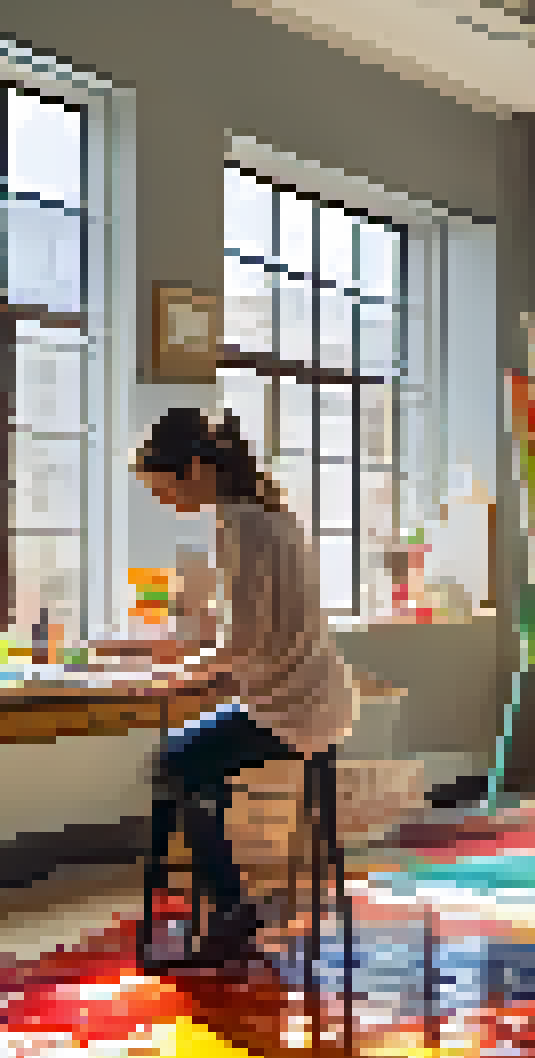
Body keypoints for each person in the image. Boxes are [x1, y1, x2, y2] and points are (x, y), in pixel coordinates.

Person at [119, 407, 355, 966]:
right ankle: (227, 903)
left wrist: (177, 674)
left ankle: (230, 909)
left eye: (164, 488)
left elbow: (244, 642)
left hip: (290, 707)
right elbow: (259, 633)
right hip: (319, 696)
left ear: (196, 469)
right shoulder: (272, 515)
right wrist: (196, 661)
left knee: (173, 760)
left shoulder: (237, 526)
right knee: (195, 759)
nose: (163, 501)